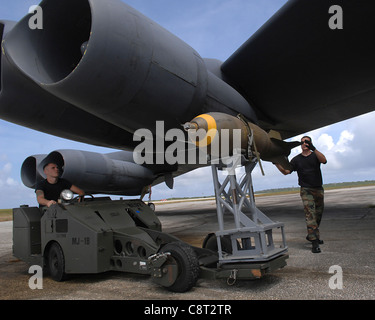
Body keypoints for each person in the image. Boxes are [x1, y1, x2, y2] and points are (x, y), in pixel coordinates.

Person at [275, 136, 327, 253]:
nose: (304, 144)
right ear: (300, 144)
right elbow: (286, 171)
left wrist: (314, 149)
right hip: (306, 190)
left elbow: (323, 160)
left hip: (318, 188)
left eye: (307, 142)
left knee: (318, 214)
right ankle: (314, 242)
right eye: (302, 142)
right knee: (310, 215)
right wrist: (276, 163)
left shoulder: (315, 155)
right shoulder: (296, 159)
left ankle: (313, 235)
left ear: (310, 143)